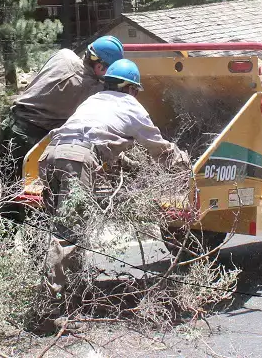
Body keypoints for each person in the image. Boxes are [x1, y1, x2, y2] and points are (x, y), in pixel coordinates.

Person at [37, 59, 189, 314]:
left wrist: (130, 166)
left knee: (61, 228)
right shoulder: (130, 105)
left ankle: (72, 293)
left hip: (50, 156)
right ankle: (50, 309)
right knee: (68, 235)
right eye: (136, 90)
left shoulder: (93, 101)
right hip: (76, 160)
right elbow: (158, 147)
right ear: (130, 88)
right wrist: (184, 166)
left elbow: (102, 141)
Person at [0, 35, 125, 184]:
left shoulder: (64, 54)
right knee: (31, 192)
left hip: (10, 125)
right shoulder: (91, 88)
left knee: (9, 189)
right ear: (100, 67)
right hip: (29, 139)